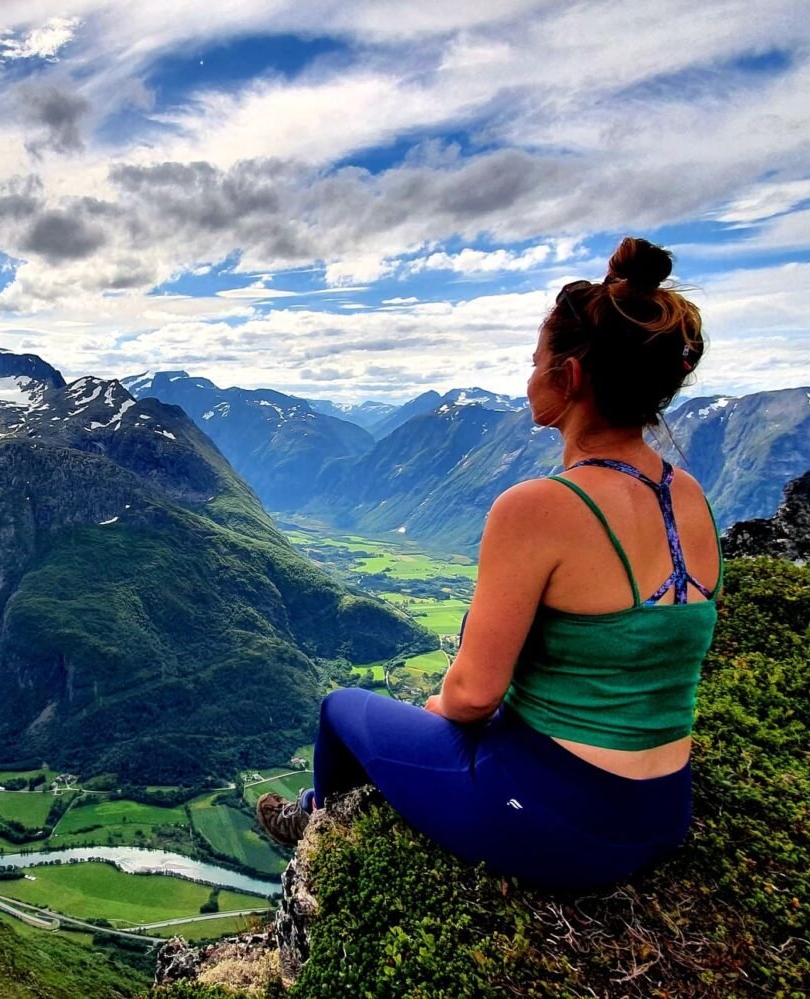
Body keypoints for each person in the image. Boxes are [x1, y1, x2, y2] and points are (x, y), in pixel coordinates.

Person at [257, 237, 719, 892]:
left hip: (562, 821)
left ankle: (316, 829)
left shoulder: (539, 508)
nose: (528, 376)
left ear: (572, 377)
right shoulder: (689, 497)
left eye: (535, 362)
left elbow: (473, 697)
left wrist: (436, 708)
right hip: (663, 808)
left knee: (340, 708)